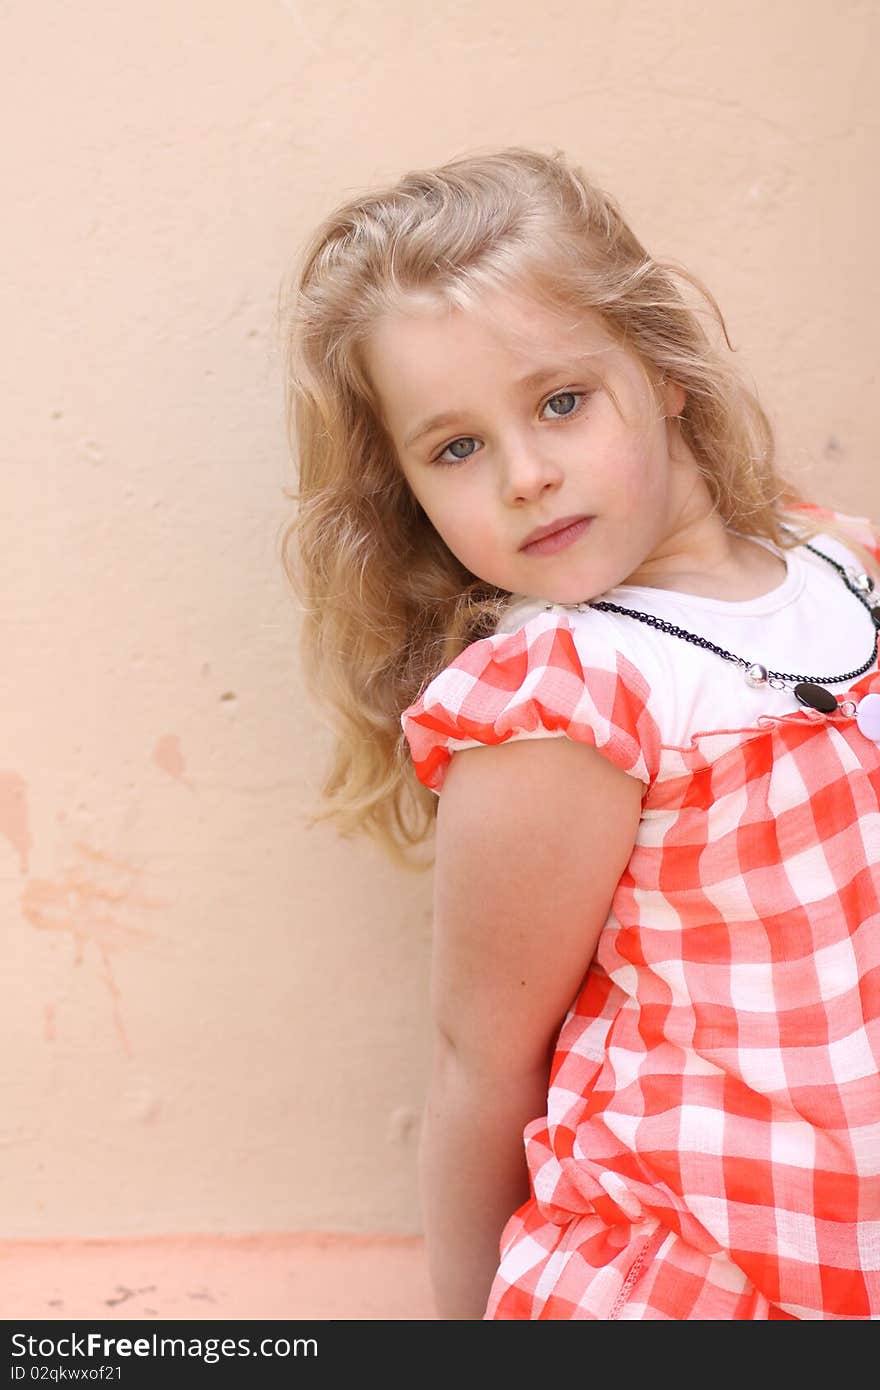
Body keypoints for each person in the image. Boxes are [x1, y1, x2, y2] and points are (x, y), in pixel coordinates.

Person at [278, 145, 880, 1319]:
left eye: (560, 401)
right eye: (456, 447)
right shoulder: (566, 696)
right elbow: (481, 1065)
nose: (526, 476)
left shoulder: (842, 565)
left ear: (661, 369)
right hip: (709, 1273)